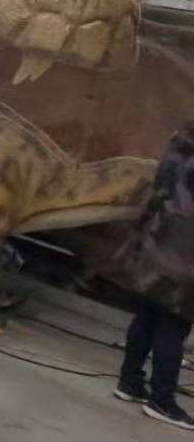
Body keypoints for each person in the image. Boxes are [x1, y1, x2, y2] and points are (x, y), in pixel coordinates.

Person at [115, 125, 194, 429]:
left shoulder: (182, 136)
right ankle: (162, 401)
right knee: (174, 324)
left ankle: (130, 381)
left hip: (158, 238)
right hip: (185, 254)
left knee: (147, 313)